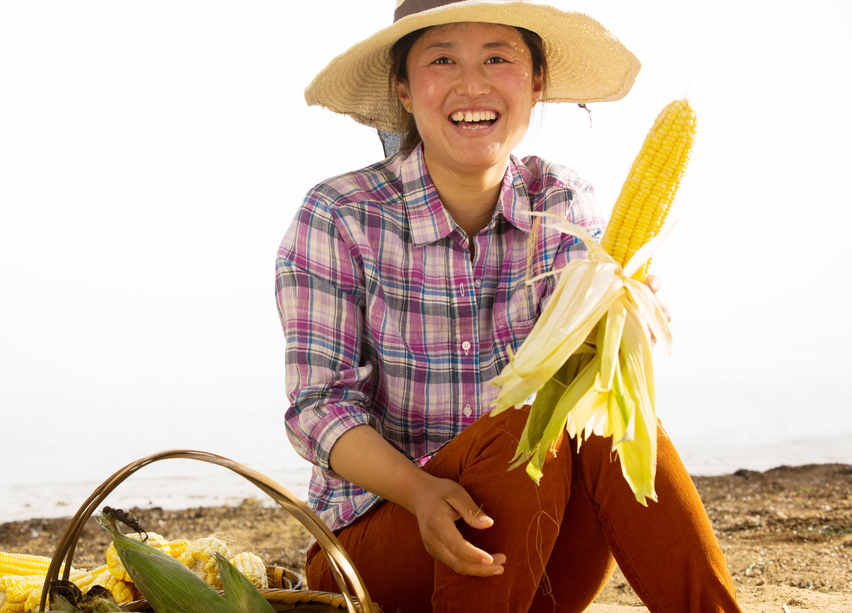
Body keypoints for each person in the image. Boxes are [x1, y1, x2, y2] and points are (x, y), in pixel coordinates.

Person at [275, 1, 743, 611]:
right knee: (523, 425)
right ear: (404, 89)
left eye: (498, 57)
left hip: (535, 548)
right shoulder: (339, 216)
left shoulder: (564, 202)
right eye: (442, 59)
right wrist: (420, 493)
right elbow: (318, 409)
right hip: (379, 552)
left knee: (605, 421)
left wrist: (622, 330)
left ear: (537, 82)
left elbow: (583, 389)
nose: (473, 84)